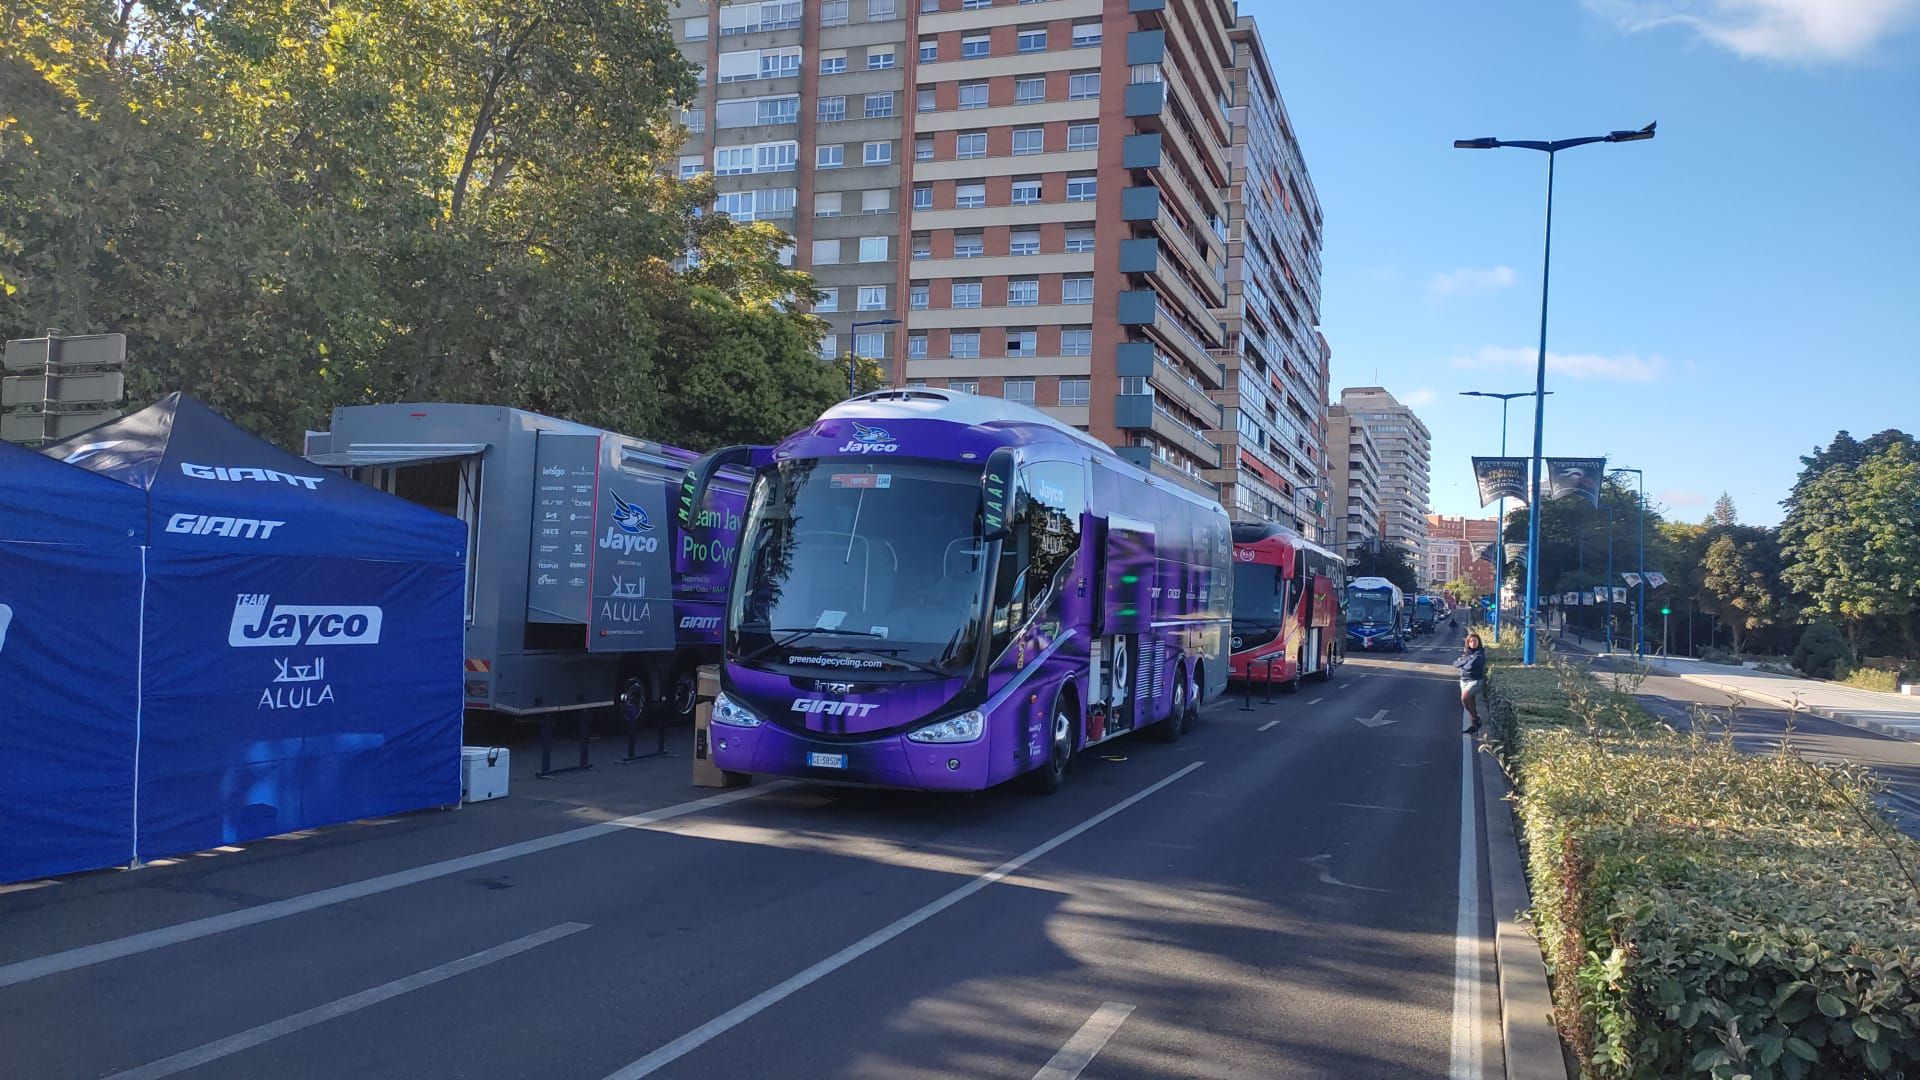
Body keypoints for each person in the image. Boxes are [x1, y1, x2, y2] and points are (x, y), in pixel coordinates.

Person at [1455, 633, 1488, 735]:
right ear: (1468, 643)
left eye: (1475, 641)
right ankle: (1474, 727)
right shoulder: (1468, 654)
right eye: (1471, 641)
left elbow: (1470, 665)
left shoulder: (1479, 654)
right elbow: (1455, 663)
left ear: (1479, 642)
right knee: (1470, 703)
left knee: (1465, 698)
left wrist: (1463, 662)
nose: (1473, 643)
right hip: (1464, 680)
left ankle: (1476, 718)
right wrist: (1465, 661)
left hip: (1475, 680)